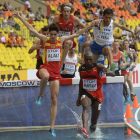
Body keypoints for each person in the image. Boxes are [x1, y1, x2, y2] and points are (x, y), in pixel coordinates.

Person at [13, 9, 93, 137]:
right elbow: (31, 29)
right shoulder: (45, 39)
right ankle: (40, 94)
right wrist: (20, 17)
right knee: (45, 75)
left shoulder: (61, 40)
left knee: (54, 100)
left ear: (58, 34)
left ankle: (52, 127)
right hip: (46, 68)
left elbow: (78, 33)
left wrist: (90, 25)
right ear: (49, 33)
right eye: (51, 34)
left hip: (56, 71)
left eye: (55, 34)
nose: (53, 36)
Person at [76, 51, 115, 138]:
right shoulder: (81, 69)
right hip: (86, 93)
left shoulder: (98, 67)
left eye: (90, 60)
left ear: (93, 60)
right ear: (84, 60)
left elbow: (113, 74)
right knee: (85, 107)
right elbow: (80, 82)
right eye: (86, 60)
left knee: (94, 123)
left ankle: (91, 133)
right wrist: (79, 98)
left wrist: (107, 71)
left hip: (98, 95)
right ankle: (84, 129)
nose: (88, 61)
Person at [53, 2, 86, 66]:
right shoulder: (57, 18)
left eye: (67, 11)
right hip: (59, 38)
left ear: (70, 11)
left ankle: (61, 63)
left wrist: (88, 27)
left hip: (69, 39)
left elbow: (83, 25)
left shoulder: (74, 18)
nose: (66, 13)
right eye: (64, 11)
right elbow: (51, 29)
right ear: (62, 11)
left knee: (67, 43)